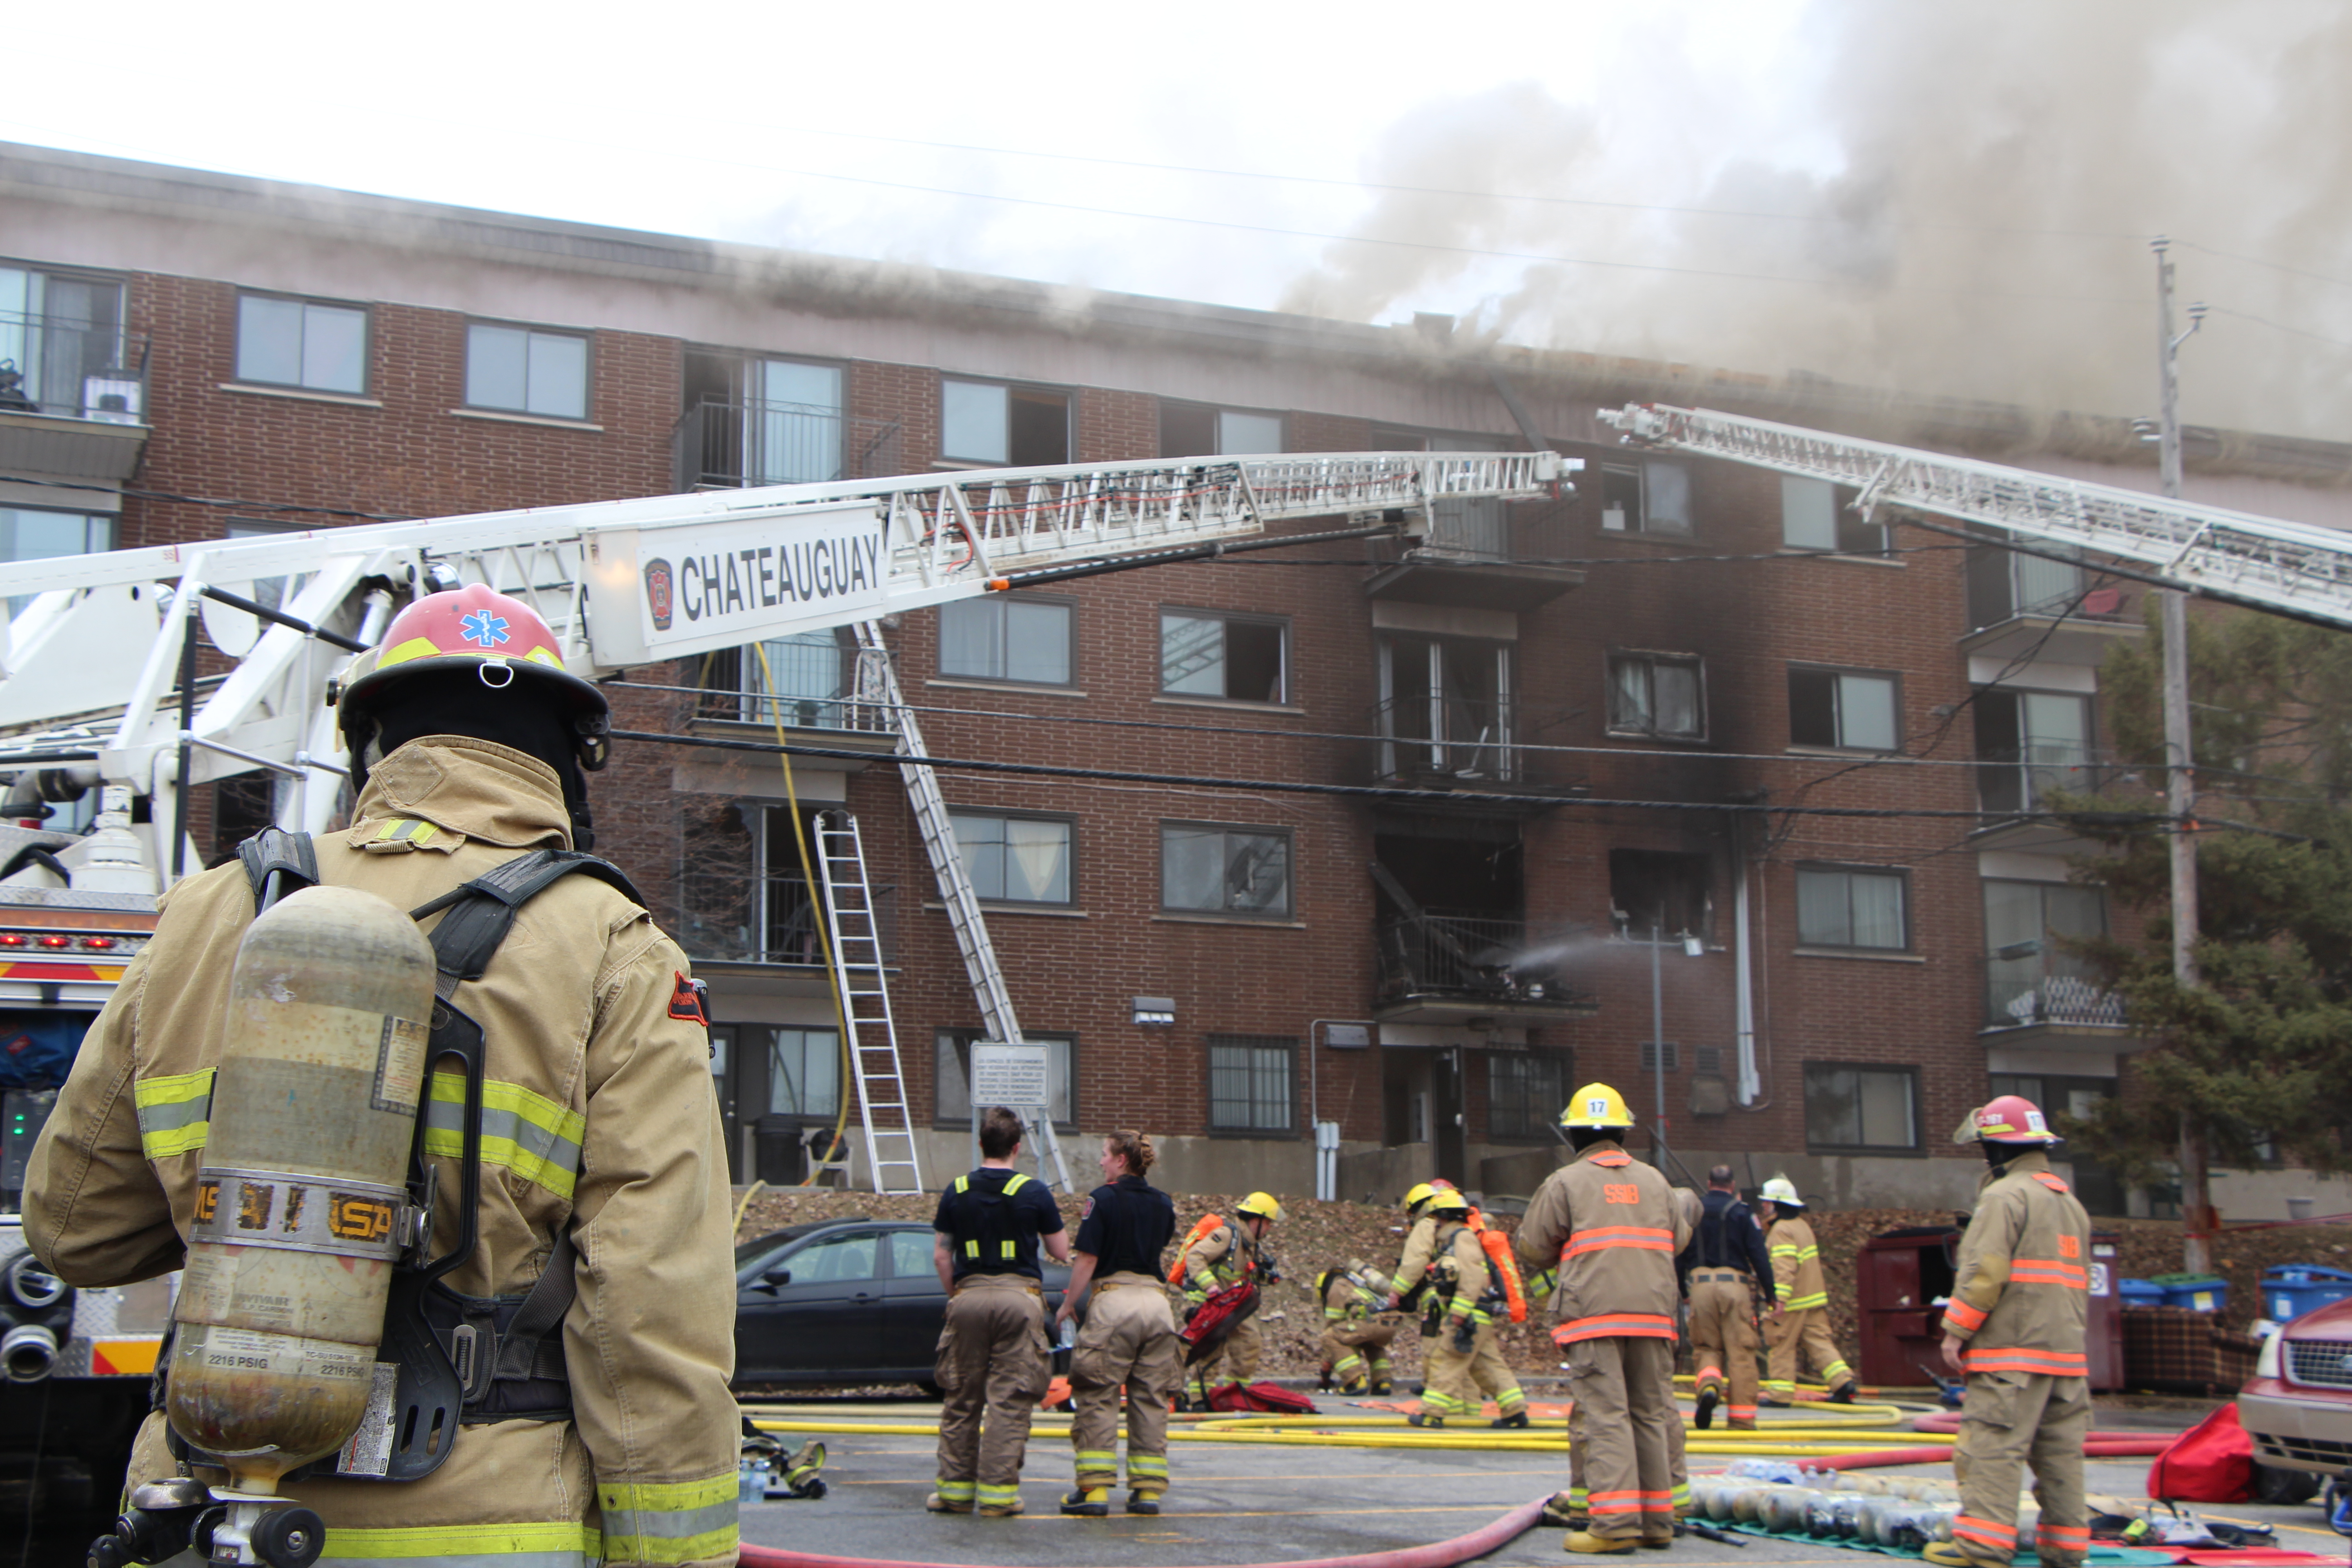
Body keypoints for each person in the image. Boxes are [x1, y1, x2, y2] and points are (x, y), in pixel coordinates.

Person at [22, 584, 742, 1568]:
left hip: (203, 1507)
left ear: (370, 743)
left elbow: (74, 1230)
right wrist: (676, 1553)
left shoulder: (209, 911)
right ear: (571, 758)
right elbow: (650, 1297)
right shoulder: (615, 946)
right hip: (483, 1522)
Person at [1516, 1082, 1690, 1555]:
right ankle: (1657, 1523)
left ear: (1574, 1135)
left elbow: (1533, 1246)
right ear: (1623, 1133)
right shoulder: (1656, 1181)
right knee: (1650, 1413)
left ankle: (1614, 1526)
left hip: (1594, 1317)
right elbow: (1679, 1239)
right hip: (1653, 1316)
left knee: (1606, 1417)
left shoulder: (1565, 1183)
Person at [1920, 1096, 2092, 1568]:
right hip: (2066, 1361)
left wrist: (1956, 1331)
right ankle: (2066, 1550)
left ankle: (1984, 1547)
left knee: (1991, 1450)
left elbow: (1984, 1271)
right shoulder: (2070, 1203)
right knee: (2061, 1459)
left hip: (2011, 1358)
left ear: (1997, 1148)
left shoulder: (2004, 1197)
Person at [930, 1105, 1071, 1518]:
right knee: (1009, 1400)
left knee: (962, 1396)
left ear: (981, 1144)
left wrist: (958, 1295)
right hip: (1019, 1301)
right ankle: (998, 1497)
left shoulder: (956, 1190)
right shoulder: (1035, 1192)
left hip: (968, 1297)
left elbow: (941, 1255)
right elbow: (1060, 1250)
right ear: (1017, 1147)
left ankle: (954, 1494)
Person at [1055, 1129, 1180, 1518]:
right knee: (1151, 1398)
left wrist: (1068, 1305)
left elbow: (1088, 1259)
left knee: (1098, 1394)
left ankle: (1093, 1491)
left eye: (1105, 1155)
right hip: (1157, 1306)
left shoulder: (1102, 1199)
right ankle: (1147, 1491)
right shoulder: (1164, 1203)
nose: (1100, 1162)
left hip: (1114, 1303)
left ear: (1121, 1160)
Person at [1402, 1188, 1527, 1428]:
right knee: (1487, 1366)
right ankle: (1515, 1412)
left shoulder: (1462, 1238)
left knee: (1446, 1359)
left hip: (1469, 1314)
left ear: (1444, 1217)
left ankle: (1431, 1414)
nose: (1435, 1224)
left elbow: (1472, 1277)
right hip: (1477, 1315)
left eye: (1437, 1219)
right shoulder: (1456, 1239)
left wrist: (1458, 1313)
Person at [1682, 1166, 1774, 1432]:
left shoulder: (1693, 1213)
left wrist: (1682, 1291)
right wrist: (1771, 1294)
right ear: (1732, 1186)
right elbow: (1759, 1255)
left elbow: (1678, 1252)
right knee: (1741, 1352)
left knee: (1706, 1347)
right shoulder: (1742, 1212)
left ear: (1709, 1183)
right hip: (1734, 1286)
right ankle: (1741, 1419)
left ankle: (1709, 1387)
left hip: (1700, 1286)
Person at [1756, 1176, 1857, 1404]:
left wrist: (1779, 1300)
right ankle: (1843, 1383)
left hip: (1792, 1302)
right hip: (1813, 1300)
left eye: (1767, 1202)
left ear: (1777, 1204)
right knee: (1819, 1342)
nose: (1763, 1206)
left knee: (1781, 1345)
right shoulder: (1802, 1226)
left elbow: (1784, 1267)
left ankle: (1780, 1396)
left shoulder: (1781, 1230)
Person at [1176, 1190, 1280, 1407]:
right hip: (1213, 1305)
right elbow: (1195, 1256)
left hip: (1234, 1307)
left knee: (1249, 1343)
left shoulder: (1250, 1245)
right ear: (1256, 1221)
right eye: (1268, 1223)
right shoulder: (1226, 1236)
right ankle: (1200, 1398)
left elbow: (1242, 1274)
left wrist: (1263, 1274)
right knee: (1211, 1349)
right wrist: (1210, 1286)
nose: (1269, 1228)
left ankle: (1234, 1394)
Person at [1317, 1259, 1399, 1396]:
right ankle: (1382, 1381)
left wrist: (1327, 1366)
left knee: (1329, 1336)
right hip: (1391, 1321)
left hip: (1371, 1321)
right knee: (1371, 1342)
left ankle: (1355, 1381)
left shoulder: (1337, 1287)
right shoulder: (1357, 1283)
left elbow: (1334, 1324)